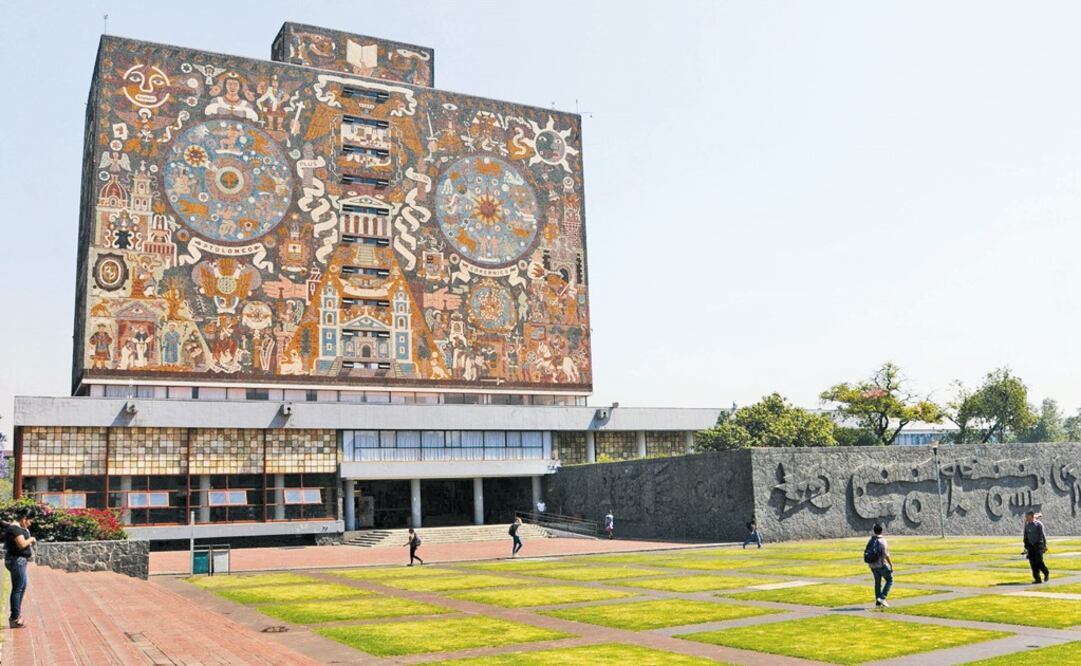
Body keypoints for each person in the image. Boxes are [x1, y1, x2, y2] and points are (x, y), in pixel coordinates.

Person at [4, 510, 36, 628]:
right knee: (18, 589)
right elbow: (22, 544)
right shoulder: (15, 529)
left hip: (19, 561)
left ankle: (16, 615)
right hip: (17, 561)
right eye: (29, 521)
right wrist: (31, 539)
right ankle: (14, 618)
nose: (30, 524)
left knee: (21, 587)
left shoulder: (16, 528)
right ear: (24, 518)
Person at [865, 523, 893, 608]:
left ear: (874, 531)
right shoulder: (882, 540)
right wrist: (891, 564)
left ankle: (878, 603)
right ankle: (882, 597)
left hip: (873, 566)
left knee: (877, 583)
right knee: (890, 580)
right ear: (881, 531)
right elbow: (886, 554)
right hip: (881, 565)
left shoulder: (871, 540)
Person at [1023, 511, 1049, 584]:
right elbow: (1025, 536)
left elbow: (1042, 535)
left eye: (1027, 516)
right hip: (1030, 546)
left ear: (1031, 516)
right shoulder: (1027, 525)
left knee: (1039, 561)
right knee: (1032, 563)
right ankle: (1037, 578)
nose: (1026, 518)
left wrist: (1045, 545)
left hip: (1038, 545)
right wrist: (1026, 545)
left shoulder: (1038, 524)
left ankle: (1046, 572)